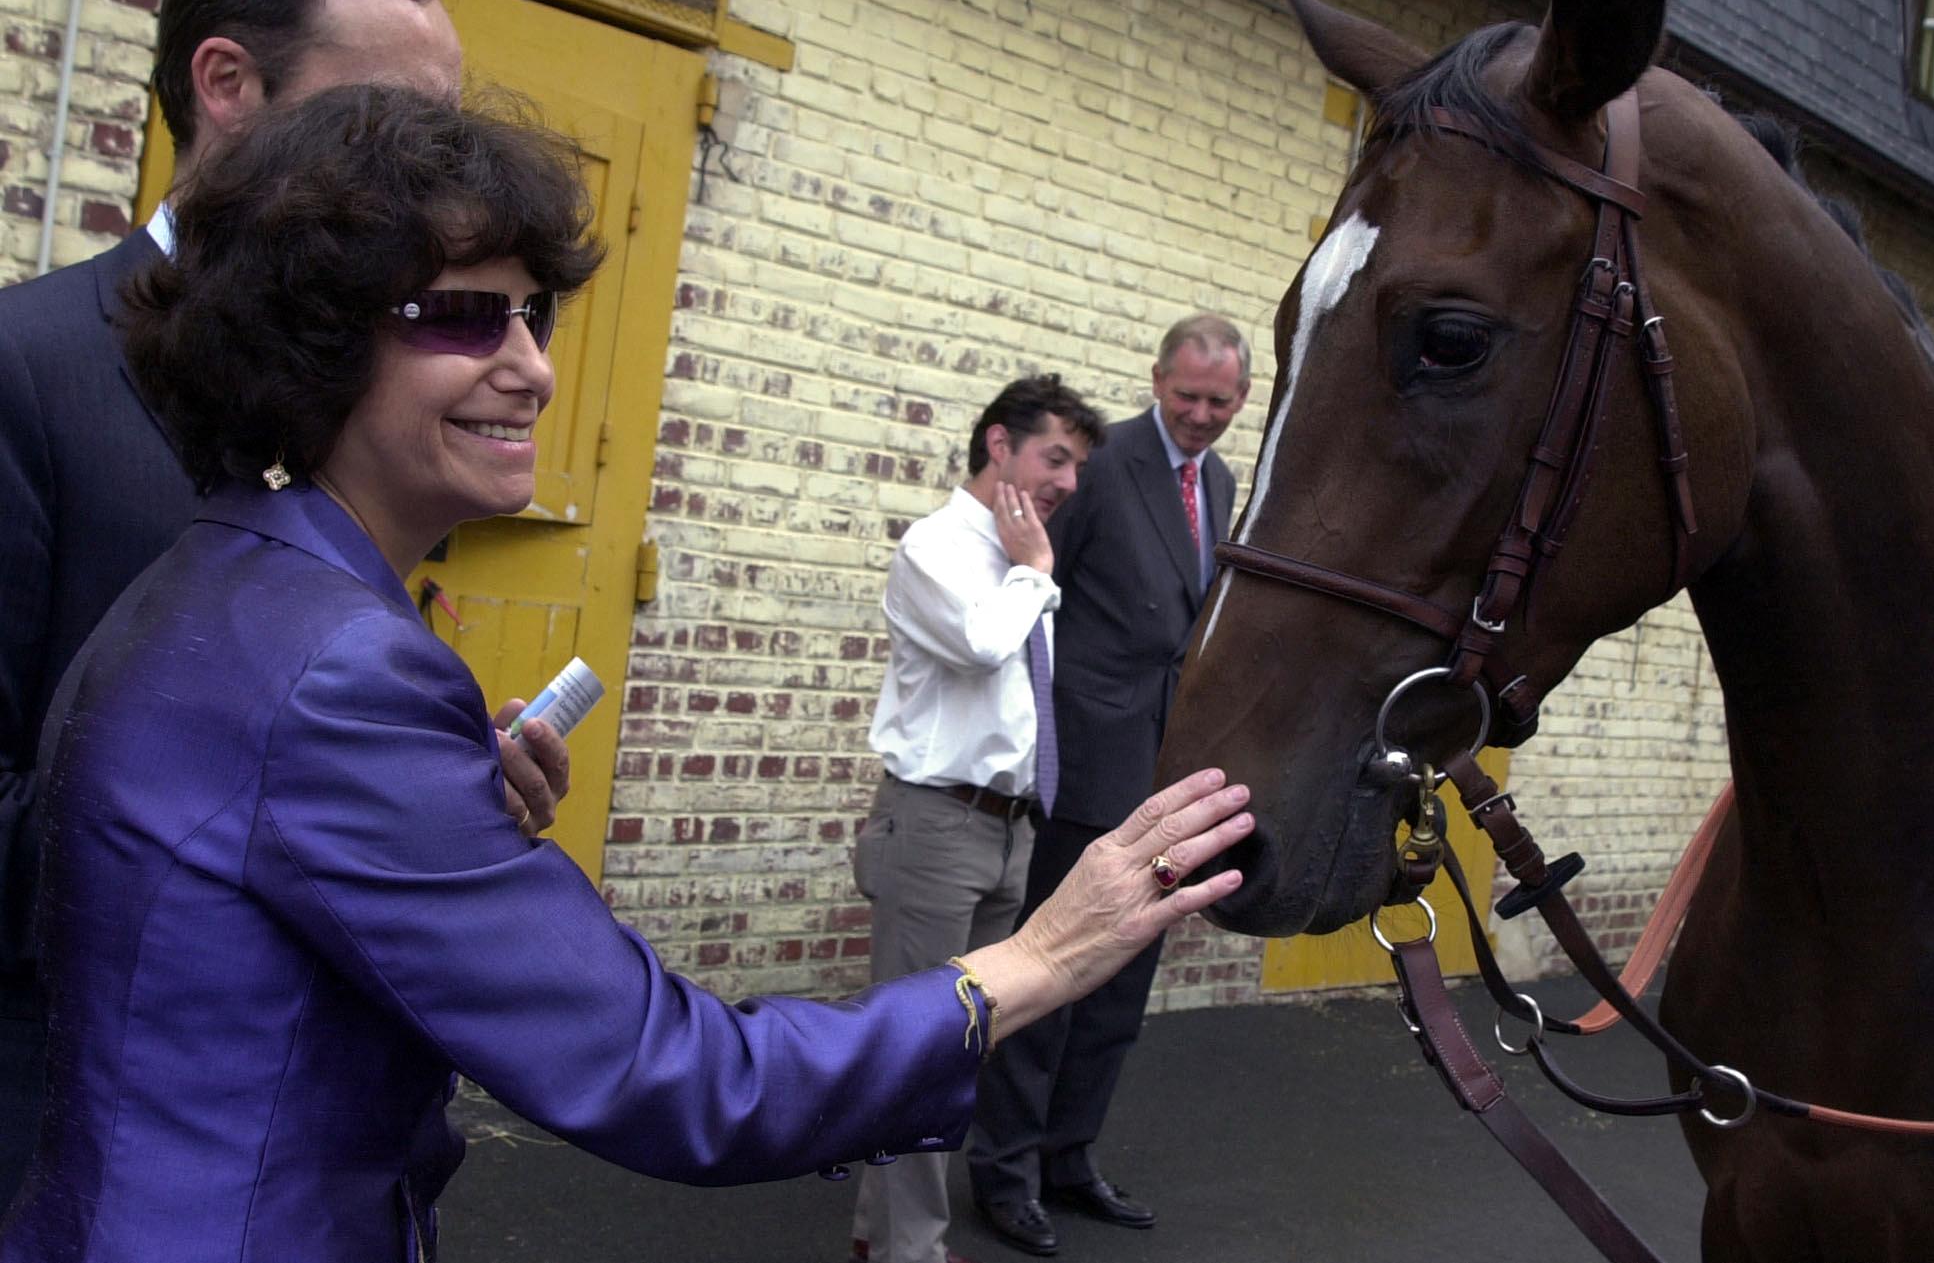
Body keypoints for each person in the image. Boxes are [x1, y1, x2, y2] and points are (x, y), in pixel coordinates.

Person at [0, 84, 1255, 1263]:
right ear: (306, 344)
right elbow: (683, 1079)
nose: (532, 366)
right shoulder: (336, 668)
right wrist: (1042, 955)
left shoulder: (218, 576)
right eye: (458, 316)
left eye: (531, 312)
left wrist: (441, 811)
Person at [0, 0, 567, 1207]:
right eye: (385, 120)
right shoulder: (26, 371)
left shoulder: (383, 373)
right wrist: (258, 819)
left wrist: (421, 787)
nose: (433, 169)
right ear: (228, 84)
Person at [969, 315, 1251, 1256]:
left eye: (1222, 400)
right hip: (1087, 763)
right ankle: (1003, 1170)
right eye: (1189, 395)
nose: (1203, 415)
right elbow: (1040, 596)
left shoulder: (1217, 481)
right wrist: (1047, 744)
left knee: (1122, 982)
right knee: (1051, 972)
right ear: (1157, 379)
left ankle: (1067, 1156)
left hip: (1165, 765)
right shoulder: (1103, 463)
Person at [848, 376, 1108, 1263]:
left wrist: (1031, 569)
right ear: (998, 445)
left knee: (966, 1047)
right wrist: (1035, 573)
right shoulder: (940, 547)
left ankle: (880, 1230)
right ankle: (907, 1250)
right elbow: (981, 643)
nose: (1069, 482)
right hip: (935, 827)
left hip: (1009, 828)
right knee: (919, 1048)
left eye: (1077, 466)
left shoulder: (1015, 550)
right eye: (1055, 457)